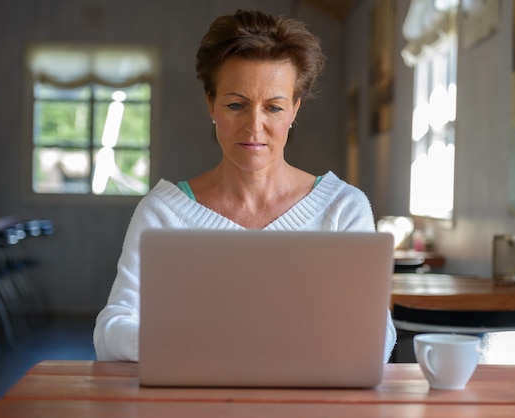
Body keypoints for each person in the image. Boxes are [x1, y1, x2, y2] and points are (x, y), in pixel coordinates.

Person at [93, 9, 396, 363]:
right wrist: (204, 347)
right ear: (211, 104)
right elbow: (110, 331)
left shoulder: (343, 208)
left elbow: (378, 336)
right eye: (236, 105)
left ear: (294, 110)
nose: (254, 127)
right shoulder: (162, 212)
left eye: (273, 108)